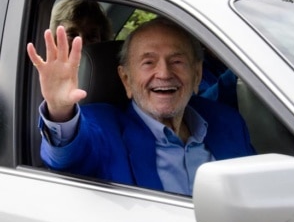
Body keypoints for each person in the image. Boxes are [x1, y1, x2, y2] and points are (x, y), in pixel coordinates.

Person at [27, 17, 255, 196]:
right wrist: (59, 109)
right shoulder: (105, 129)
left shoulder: (229, 122)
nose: (164, 73)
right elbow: (67, 156)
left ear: (197, 75)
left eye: (177, 61)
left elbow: (259, 191)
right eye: (148, 62)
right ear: (126, 79)